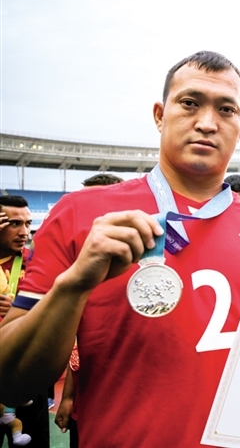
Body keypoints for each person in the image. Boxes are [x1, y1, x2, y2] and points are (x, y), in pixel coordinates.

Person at [0, 51, 240, 447]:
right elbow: (11, 383)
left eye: (225, 109)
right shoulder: (80, 213)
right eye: (189, 103)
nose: (207, 122)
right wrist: (73, 286)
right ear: (159, 115)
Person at [56, 174, 125, 447]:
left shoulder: (151, 269)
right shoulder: (73, 272)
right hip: (87, 407)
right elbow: (78, 347)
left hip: (133, 411)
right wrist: (68, 398)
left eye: (95, 202)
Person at [0, 195, 49, 448]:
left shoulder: (36, 262)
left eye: (27, 224)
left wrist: (21, 312)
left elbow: (56, 313)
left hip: (27, 372)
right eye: (14, 224)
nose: (24, 232)